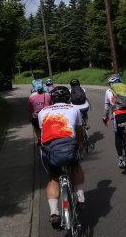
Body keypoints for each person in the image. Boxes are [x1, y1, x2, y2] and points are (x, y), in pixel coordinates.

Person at [39, 86, 86, 229]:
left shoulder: (43, 112)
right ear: (68, 98)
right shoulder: (74, 109)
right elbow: (79, 130)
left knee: (53, 178)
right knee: (76, 166)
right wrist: (79, 143)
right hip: (68, 145)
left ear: (52, 99)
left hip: (50, 149)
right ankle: (80, 197)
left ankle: (54, 212)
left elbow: (43, 131)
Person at [102, 74, 126, 168]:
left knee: (118, 136)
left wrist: (105, 117)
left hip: (118, 116)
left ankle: (121, 159)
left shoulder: (108, 91)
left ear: (110, 84)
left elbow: (106, 107)